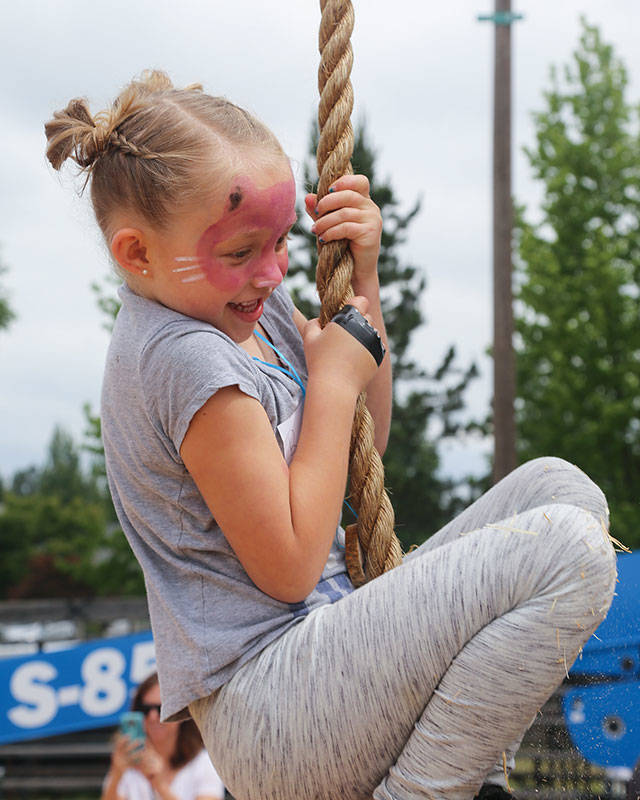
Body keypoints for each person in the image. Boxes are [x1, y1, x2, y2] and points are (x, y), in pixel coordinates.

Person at [46, 71, 617, 800]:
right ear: (137, 254)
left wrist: (363, 285)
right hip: (272, 702)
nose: (272, 270)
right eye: (241, 252)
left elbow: (359, 452)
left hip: (329, 664)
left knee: (562, 491)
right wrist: (335, 382)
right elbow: (288, 567)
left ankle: (455, 775)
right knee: (566, 550)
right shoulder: (183, 356)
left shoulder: (248, 311)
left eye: (281, 243)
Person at [102, 671, 225, 800]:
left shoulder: (202, 763)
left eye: (161, 709)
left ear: (181, 713)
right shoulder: (127, 762)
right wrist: (116, 774)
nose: (153, 717)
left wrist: (161, 786)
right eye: (145, 709)